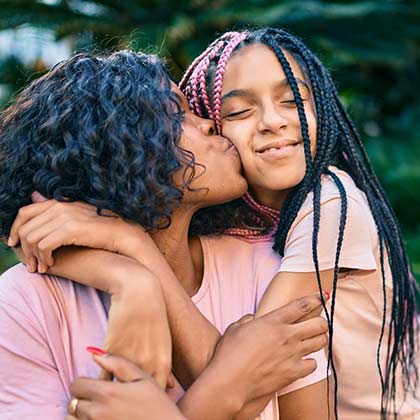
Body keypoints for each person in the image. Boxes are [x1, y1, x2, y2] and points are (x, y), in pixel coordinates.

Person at [13, 27, 420, 419]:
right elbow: (240, 373)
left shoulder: (317, 218)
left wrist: (135, 258)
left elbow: (253, 366)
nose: (210, 126)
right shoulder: (25, 304)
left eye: (293, 100)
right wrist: (130, 277)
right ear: (114, 153)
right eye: (236, 112)